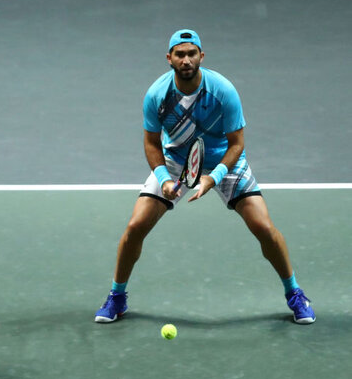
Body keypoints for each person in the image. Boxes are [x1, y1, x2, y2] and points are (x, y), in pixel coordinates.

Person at [95, 29, 315, 325]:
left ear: (201, 56)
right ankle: (116, 296)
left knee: (263, 226)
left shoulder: (223, 90)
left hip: (225, 162)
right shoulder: (157, 95)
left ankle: (295, 293)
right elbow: (151, 143)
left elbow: (237, 144)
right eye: (179, 54)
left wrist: (213, 178)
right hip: (175, 161)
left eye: (191, 53)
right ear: (169, 58)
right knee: (135, 226)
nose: (186, 60)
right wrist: (163, 178)